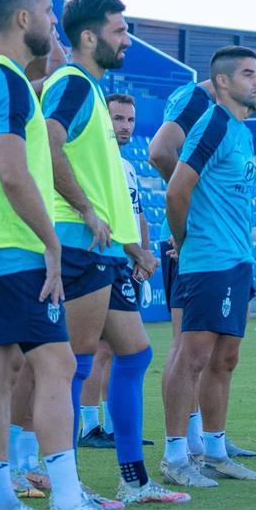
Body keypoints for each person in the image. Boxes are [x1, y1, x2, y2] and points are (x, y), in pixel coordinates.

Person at [0, 0, 138, 510]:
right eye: (48, 15)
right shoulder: (4, 79)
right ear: (24, 19)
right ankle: (66, 499)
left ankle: (2, 501)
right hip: (13, 246)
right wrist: (52, 241)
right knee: (56, 365)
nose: (55, 24)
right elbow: (12, 172)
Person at [39, 0, 185, 505]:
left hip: (104, 251)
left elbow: (103, 184)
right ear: (88, 37)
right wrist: (83, 209)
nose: (126, 39)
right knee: (75, 366)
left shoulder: (92, 93)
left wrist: (132, 246)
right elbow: (47, 144)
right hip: (77, 246)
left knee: (135, 353)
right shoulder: (74, 85)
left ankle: (133, 479)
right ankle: (69, 489)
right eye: (119, 31)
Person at [149, 56, 256, 465]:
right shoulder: (213, 122)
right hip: (208, 258)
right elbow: (176, 191)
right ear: (222, 81)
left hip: (237, 258)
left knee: (225, 358)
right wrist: (185, 239)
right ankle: (175, 456)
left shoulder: (242, 132)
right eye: (248, 74)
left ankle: (216, 451)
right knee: (192, 357)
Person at [78, 93, 154, 451]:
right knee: (95, 351)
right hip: (100, 261)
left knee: (119, 350)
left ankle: (111, 426)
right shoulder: (96, 164)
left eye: (130, 120)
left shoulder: (127, 168)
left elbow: (137, 214)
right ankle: (88, 427)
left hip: (125, 265)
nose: (125, 126)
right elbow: (106, 220)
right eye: (118, 118)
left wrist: (145, 253)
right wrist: (136, 251)